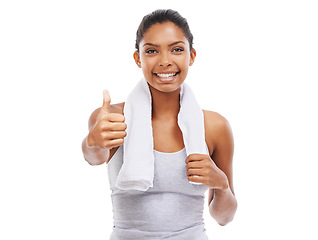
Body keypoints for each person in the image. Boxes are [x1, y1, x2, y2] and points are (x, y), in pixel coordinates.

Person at [81, 9, 237, 239]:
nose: (165, 61)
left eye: (176, 49)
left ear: (191, 56)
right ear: (138, 58)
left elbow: (224, 217)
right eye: (152, 51)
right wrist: (92, 142)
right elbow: (95, 158)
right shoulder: (112, 118)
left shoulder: (215, 126)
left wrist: (221, 184)